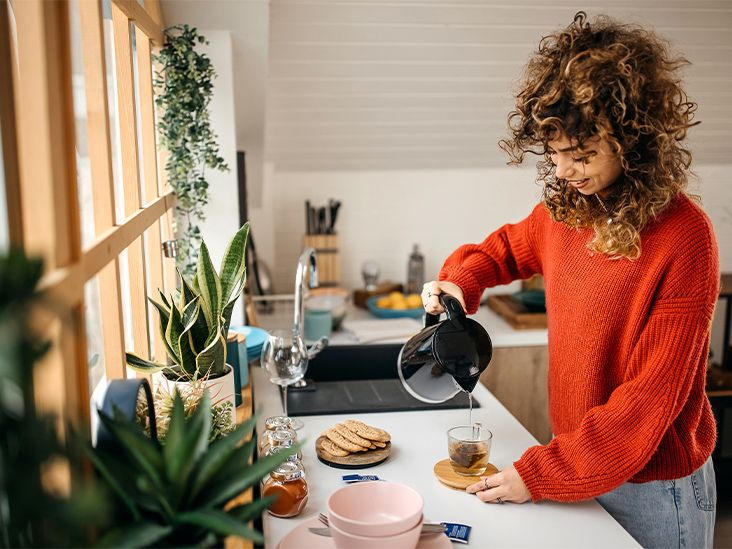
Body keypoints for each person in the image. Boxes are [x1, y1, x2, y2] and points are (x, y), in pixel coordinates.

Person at [422, 12, 719, 548]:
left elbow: (648, 402)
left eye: (580, 155)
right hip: (578, 459)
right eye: (555, 153)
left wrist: (539, 473)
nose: (562, 171)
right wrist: (460, 283)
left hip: (652, 485)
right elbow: (503, 250)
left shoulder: (684, 237)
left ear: (634, 144)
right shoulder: (567, 212)